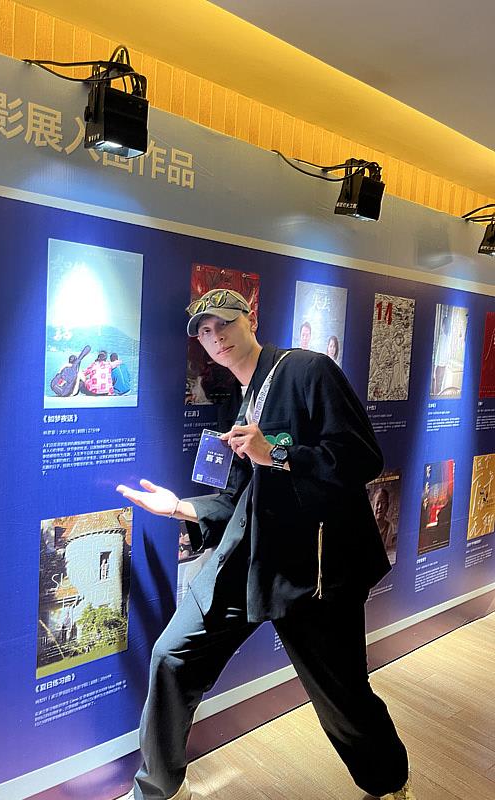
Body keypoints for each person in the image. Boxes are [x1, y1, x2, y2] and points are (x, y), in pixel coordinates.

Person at [116, 288, 415, 800]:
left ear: (249, 319)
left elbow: (362, 457)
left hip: (312, 573)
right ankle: (157, 790)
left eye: (224, 324)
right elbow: (239, 499)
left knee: (341, 695)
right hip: (248, 560)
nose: (216, 337)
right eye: (204, 332)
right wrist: (180, 507)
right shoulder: (237, 400)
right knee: (171, 657)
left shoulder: (308, 370)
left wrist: (276, 452)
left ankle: (389, 785)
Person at [371, 487, 397, 561]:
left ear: (387, 506)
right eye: (377, 503)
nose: (380, 507)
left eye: (383, 503)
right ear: (373, 505)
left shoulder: (393, 530)